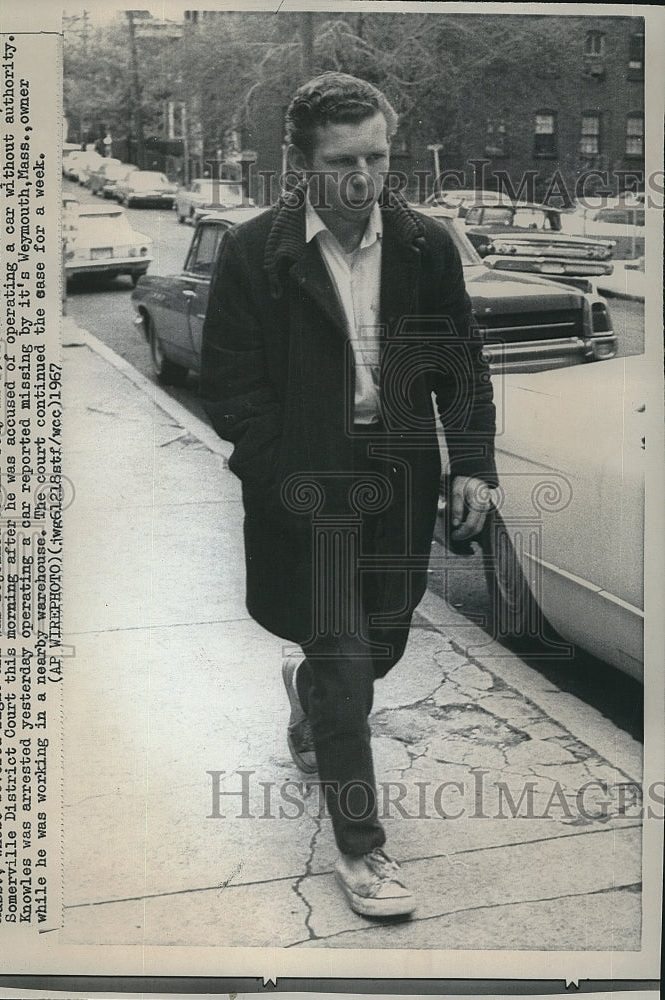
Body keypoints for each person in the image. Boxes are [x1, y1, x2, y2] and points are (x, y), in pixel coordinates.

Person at [200, 72, 497, 919]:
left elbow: (461, 363)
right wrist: (279, 467)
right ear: (301, 162)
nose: (363, 178)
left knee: (381, 649)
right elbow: (230, 387)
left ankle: (309, 705)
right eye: (342, 161)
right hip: (307, 490)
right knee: (344, 657)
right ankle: (362, 853)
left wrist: (472, 462)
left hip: (400, 484)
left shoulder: (424, 245)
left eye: (378, 157)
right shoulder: (256, 252)